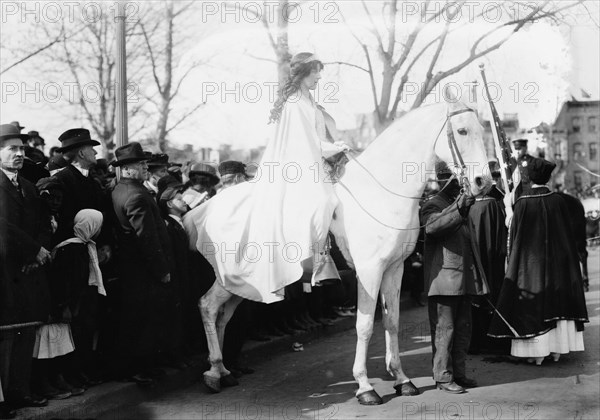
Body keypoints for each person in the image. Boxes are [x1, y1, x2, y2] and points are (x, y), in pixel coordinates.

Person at [187, 52, 350, 304]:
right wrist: (332, 148)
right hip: (298, 165)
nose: (319, 77)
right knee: (324, 200)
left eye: (320, 72)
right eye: (315, 72)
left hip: (316, 162)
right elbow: (304, 144)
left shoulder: (309, 101)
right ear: (303, 73)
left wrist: (335, 145)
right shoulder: (295, 103)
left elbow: (317, 139)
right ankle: (319, 259)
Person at [488, 158, 589, 364]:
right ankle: (557, 350)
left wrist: (508, 208)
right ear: (548, 178)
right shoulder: (559, 201)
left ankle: (537, 353)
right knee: (557, 303)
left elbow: (513, 228)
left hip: (531, 265)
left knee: (535, 303)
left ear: (530, 178)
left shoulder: (523, 202)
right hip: (558, 266)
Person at [420, 161, 488, 394]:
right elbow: (432, 227)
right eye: (455, 179)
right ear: (443, 181)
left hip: (462, 281)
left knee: (462, 331)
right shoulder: (432, 205)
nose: (460, 183)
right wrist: (459, 206)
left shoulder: (456, 204)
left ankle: (458, 373)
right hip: (443, 282)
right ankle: (442, 376)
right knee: (444, 332)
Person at [110, 142, 173, 385]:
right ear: (127, 168)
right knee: (143, 320)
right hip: (143, 270)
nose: (146, 167)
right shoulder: (136, 194)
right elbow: (146, 237)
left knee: (136, 319)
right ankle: (139, 368)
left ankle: (140, 366)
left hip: (133, 268)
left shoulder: (121, 189)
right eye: (141, 164)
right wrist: (162, 270)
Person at [0, 123, 51, 416]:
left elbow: (44, 223)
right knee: (6, 334)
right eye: (12, 149)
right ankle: (3, 398)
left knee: (26, 331)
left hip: (29, 270)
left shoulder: (29, 187)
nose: (19, 154)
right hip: (5, 270)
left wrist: (39, 251)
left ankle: (21, 391)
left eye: (21, 149)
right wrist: (34, 248)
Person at [52, 128, 106, 246]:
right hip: (70, 251)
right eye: (92, 149)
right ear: (81, 153)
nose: (95, 153)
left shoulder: (93, 181)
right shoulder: (59, 181)